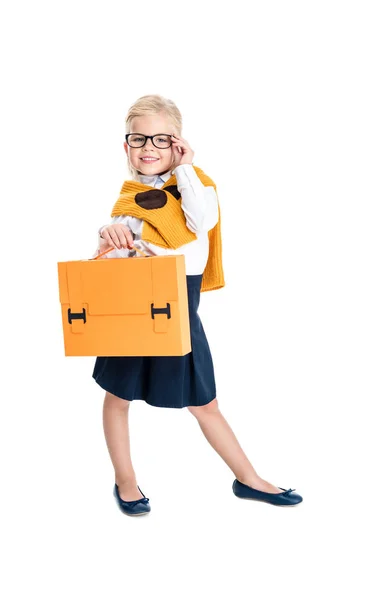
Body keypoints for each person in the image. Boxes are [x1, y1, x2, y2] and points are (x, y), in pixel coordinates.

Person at [92, 94, 303, 515]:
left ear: (179, 143)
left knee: (203, 402)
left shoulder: (195, 185)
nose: (149, 147)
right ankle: (126, 482)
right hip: (131, 301)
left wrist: (186, 165)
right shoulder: (129, 195)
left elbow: (199, 223)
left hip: (175, 303)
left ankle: (249, 479)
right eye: (139, 139)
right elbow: (109, 259)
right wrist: (106, 235)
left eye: (162, 139)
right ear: (126, 146)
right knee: (118, 396)